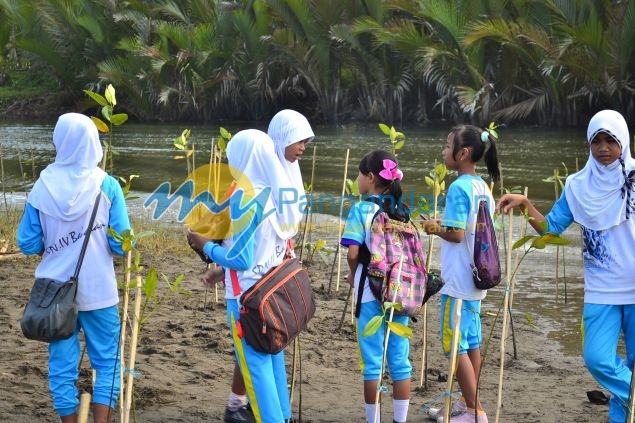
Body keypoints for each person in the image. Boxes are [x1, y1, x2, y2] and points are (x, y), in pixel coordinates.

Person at [497, 109, 635, 423]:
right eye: (596, 141)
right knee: (598, 360)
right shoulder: (577, 186)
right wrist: (526, 205)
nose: (602, 147)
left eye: (610, 140)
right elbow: (550, 229)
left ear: (623, 142)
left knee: (629, 372)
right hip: (602, 289)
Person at [199, 110, 314, 423]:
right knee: (272, 357)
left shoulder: (244, 197)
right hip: (270, 291)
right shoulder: (275, 193)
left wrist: (205, 246)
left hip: (245, 297)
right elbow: (267, 250)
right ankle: (283, 416)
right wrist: (221, 269)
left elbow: (242, 259)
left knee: (255, 369)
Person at [16, 113, 131, 423]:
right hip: (99, 292)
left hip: (53, 294)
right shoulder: (107, 185)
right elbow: (123, 243)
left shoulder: (42, 185)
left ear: (59, 141)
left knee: (61, 367)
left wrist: (51, 244)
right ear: (94, 143)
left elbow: (27, 242)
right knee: (107, 363)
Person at [420, 125, 500, 423]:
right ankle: (469, 404)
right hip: (476, 277)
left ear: (463, 153)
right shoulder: (482, 186)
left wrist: (433, 228)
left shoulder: (457, 187)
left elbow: (455, 234)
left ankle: (475, 412)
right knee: (472, 342)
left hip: (457, 280)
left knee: (454, 344)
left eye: (447, 145)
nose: (444, 150)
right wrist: (445, 224)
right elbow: (471, 230)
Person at [340, 150, 412, 423]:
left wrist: (350, 275)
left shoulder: (361, 209)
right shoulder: (402, 210)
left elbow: (352, 253)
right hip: (399, 293)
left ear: (370, 177)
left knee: (372, 363)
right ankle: (400, 420)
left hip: (370, 292)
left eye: (359, 174)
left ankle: (374, 420)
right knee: (400, 361)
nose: (357, 180)